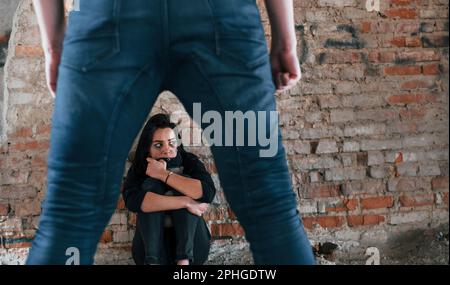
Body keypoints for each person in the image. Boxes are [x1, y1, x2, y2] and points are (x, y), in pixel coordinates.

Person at [27, 0, 316, 264]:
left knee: (71, 210)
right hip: (222, 21)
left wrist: (53, 44)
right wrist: (284, 39)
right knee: (268, 201)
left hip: (108, 19)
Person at [123, 114, 216, 265]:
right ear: (148, 148)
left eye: (171, 143)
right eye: (158, 145)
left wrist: (163, 174)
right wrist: (186, 202)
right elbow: (133, 201)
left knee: (185, 180)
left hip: (193, 248)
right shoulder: (139, 168)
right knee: (151, 185)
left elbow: (207, 192)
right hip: (149, 251)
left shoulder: (189, 161)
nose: (166, 150)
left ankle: (183, 262)